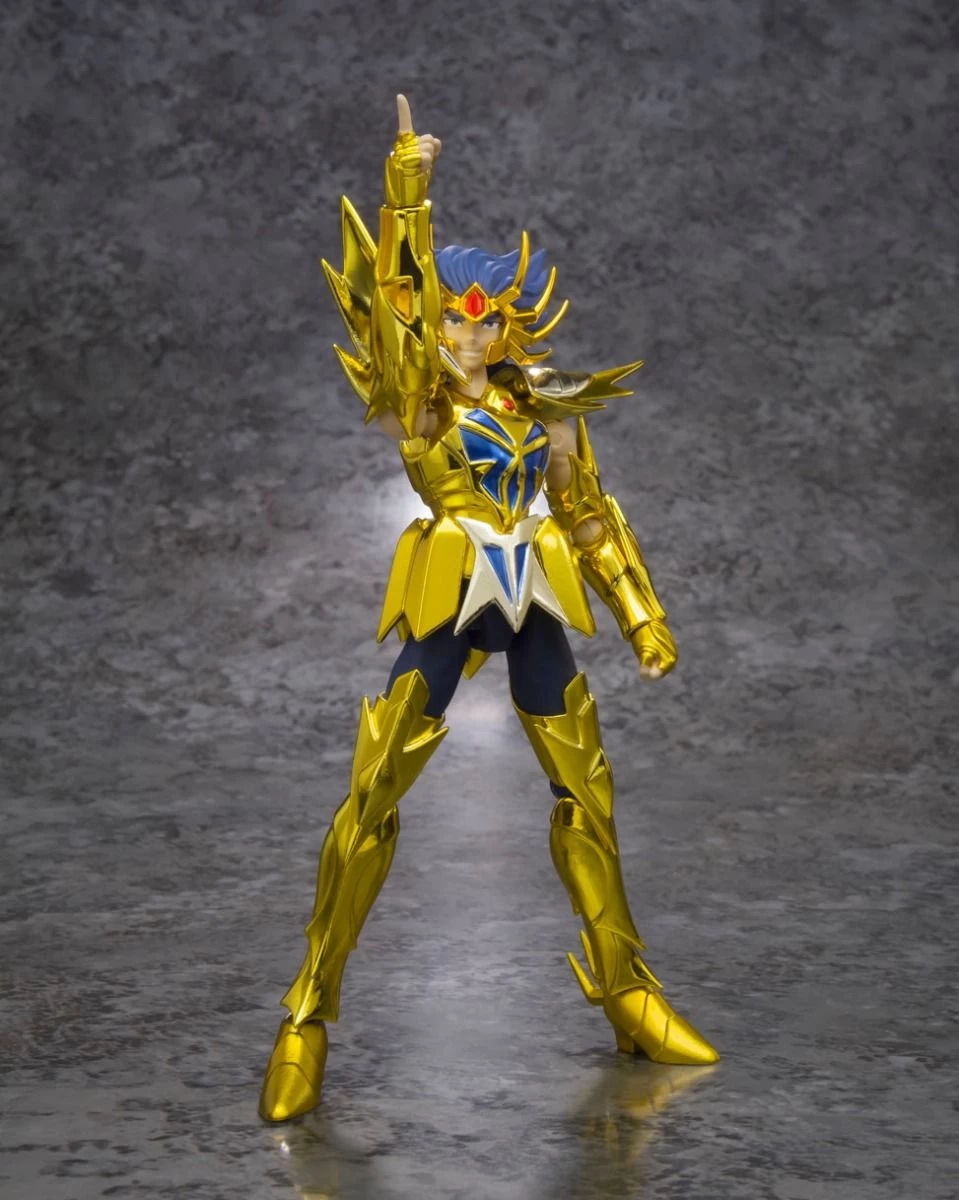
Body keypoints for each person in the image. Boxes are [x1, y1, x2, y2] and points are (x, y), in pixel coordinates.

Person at [259, 95, 718, 1123]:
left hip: (536, 597)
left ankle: (629, 994)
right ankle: (306, 1015)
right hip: (448, 593)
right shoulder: (422, 404)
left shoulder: (543, 409)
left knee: (586, 795)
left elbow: (587, 513)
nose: (471, 332)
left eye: (487, 317)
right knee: (374, 793)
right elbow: (391, 314)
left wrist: (641, 614)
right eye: (455, 318)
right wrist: (406, 194)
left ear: (510, 322)